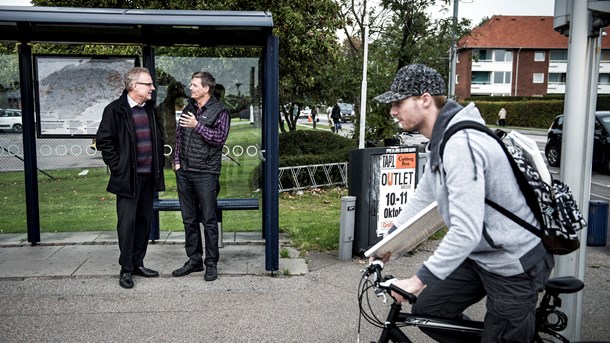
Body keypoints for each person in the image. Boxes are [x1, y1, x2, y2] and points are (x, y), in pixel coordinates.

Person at [372, 64, 553, 342]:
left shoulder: (461, 144)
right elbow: (424, 197)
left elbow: (465, 230)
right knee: (430, 310)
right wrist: (388, 245)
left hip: (512, 263)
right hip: (479, 256)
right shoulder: (440, 141)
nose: (392, 111)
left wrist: (417, 279)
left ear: (425, 99)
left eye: (398, 102)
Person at [96, 67, 166, 289]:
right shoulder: (115, 110)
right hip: (128, 179)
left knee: (144, 223)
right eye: (149, 84)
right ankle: (126, 269)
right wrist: (119, 167)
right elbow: (104, 142)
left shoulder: (150, 110)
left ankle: (138, 263)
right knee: (127, 225)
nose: (152, 88)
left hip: (148, 178)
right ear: (134, 86)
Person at [172, 71, 230, 282]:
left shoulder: (220, 111)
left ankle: (211, 263)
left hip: (206, 173)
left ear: (206, 88)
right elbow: (178, 136)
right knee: (189, 220)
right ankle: (194, 260)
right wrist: (176, 163)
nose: (191, 88)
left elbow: (219, 139)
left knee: (209, 220)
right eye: (191, 84)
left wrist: (197, 126)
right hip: (184, 172)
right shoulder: (189, 108)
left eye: (195, 85)